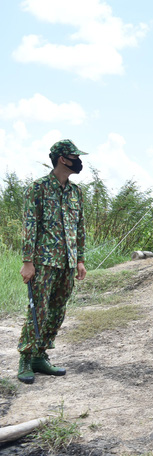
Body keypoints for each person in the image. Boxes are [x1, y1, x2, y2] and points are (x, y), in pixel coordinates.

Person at [17, 139, 88, 384]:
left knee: (57, 311)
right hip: (44, 262)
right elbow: (29, 226)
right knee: (38, 310)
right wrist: (28, 261)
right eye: (74, 157)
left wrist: (80, 259)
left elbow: (80, 228)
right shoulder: (38, 188)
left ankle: (40, 356)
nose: (78, 162)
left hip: (68, 263)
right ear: (62, 159)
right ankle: (26, 359)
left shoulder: (76, 192)